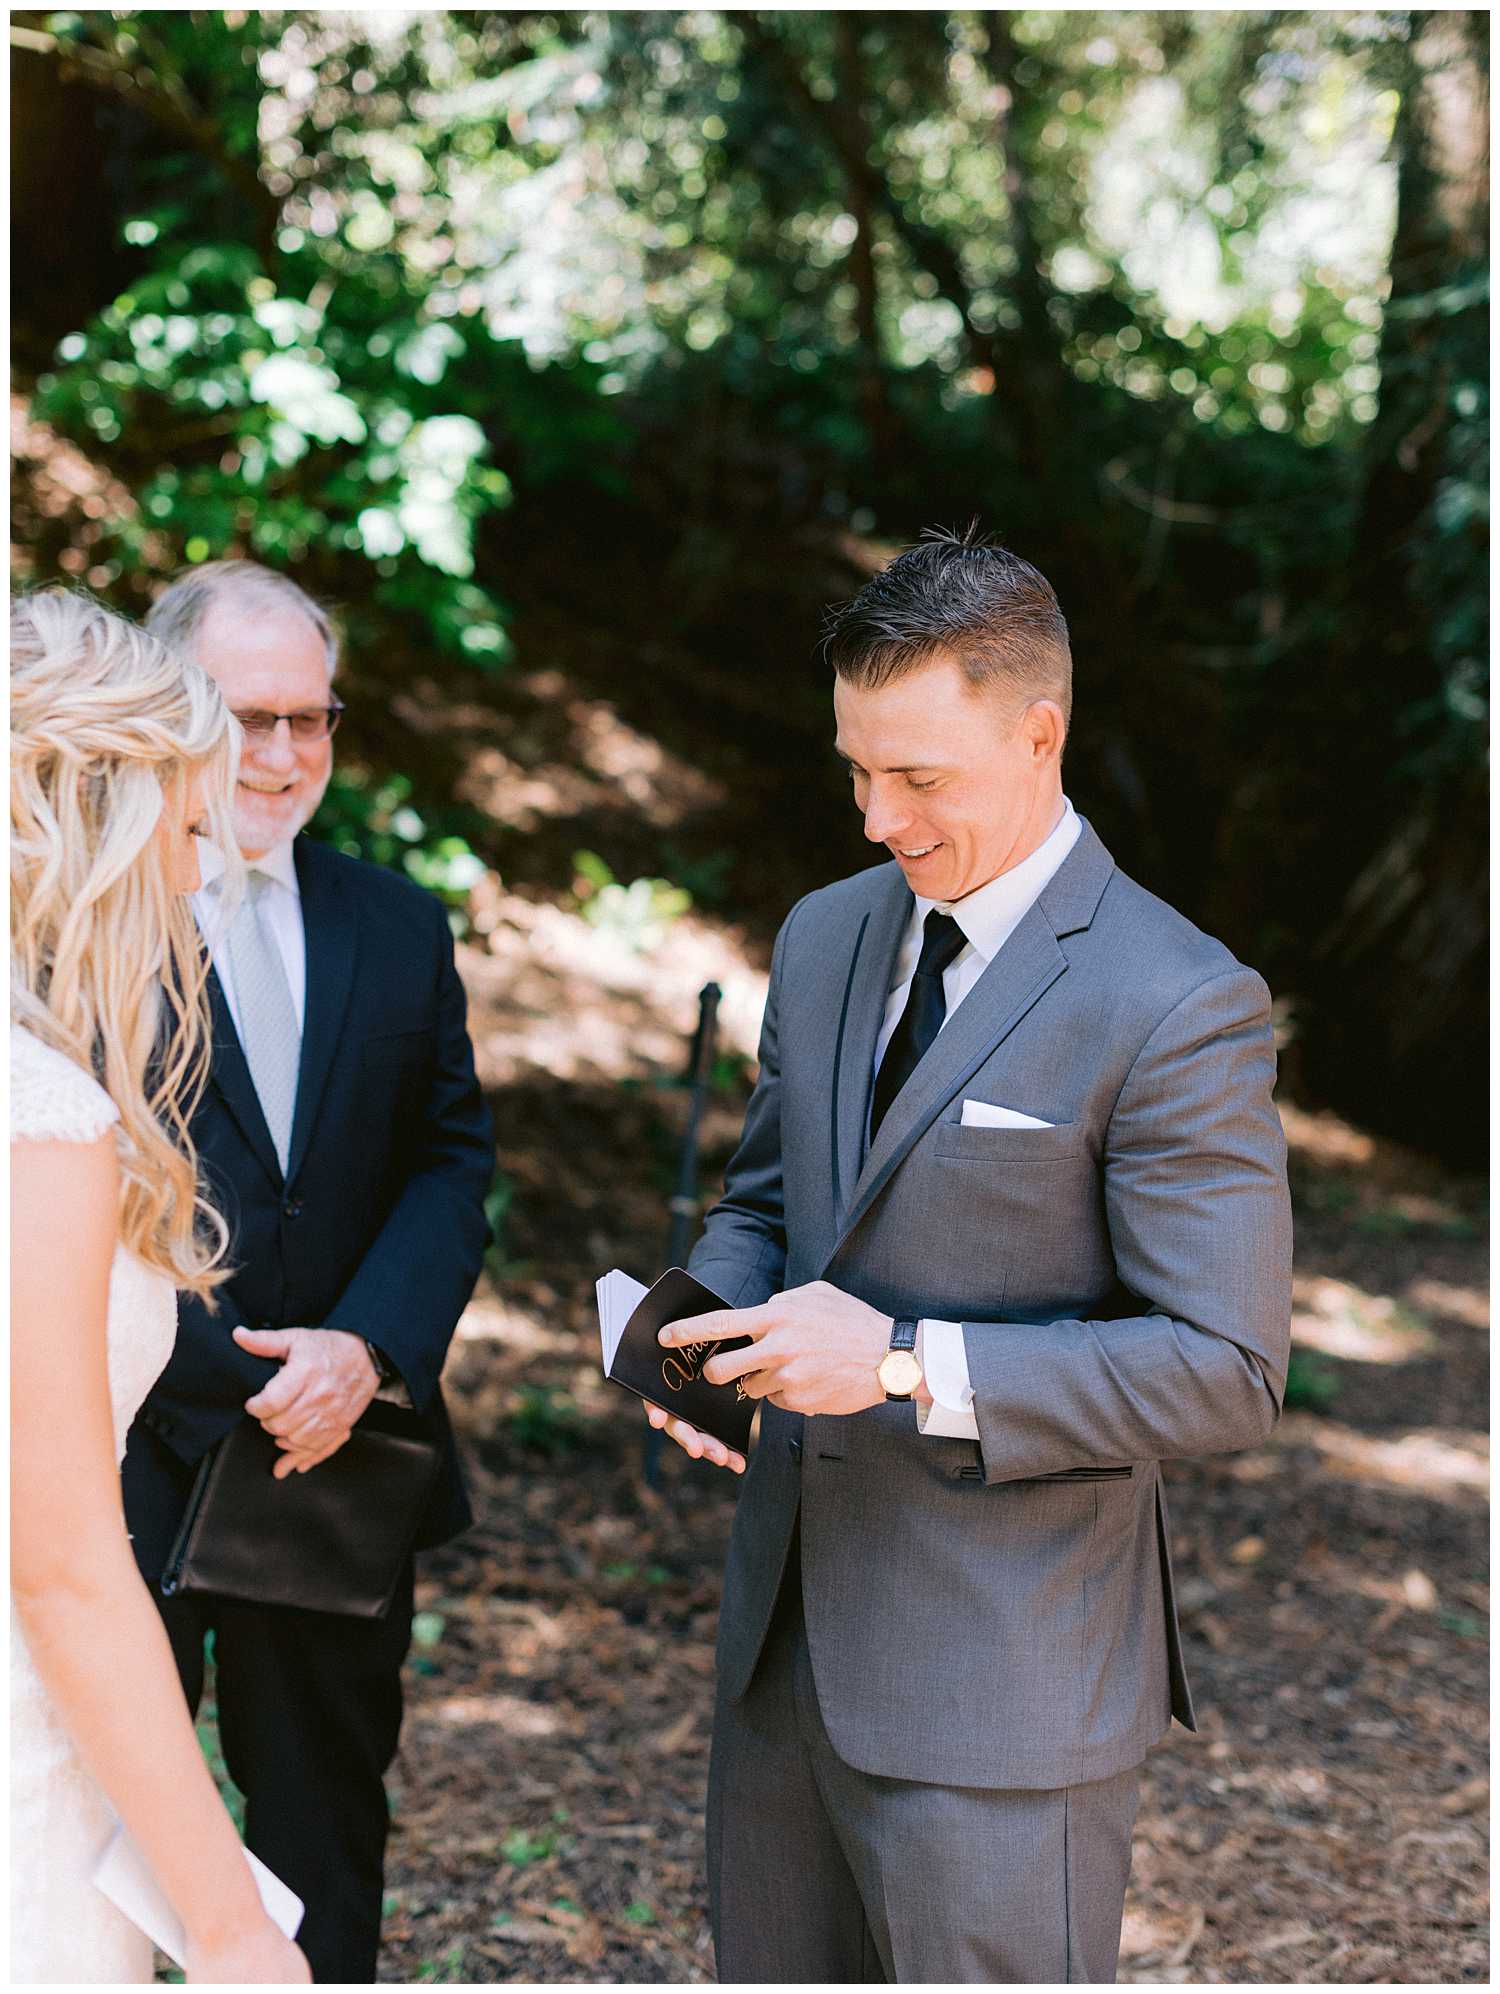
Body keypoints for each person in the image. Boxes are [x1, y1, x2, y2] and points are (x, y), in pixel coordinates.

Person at [647, 527, 1294, 1983]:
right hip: (782, 1660)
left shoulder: (1178, 999)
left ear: (1039, 730)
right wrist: (704, 1328)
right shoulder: (823, 937)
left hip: (1009, 1695)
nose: (877, 816)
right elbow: (768, 1204)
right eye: (855, 767)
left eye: (919, 776)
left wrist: (889, 1365)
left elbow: (1227, 1367)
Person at [120, 560, 495, 1983]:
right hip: (128, 1449)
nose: (283, 754)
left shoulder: (395, 923)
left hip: (332, 1458)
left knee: (324, 1832)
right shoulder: (73, 919)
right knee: (107, 1828)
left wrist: (365, 1352)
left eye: (312, 719)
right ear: (169, 711)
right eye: (248, 716)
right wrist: (231, 1371)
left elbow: (451, 1164)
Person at [11, 589, 310, 1984]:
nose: (198, 875)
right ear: (101, 820)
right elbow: (66, 1568)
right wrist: (234, 1924)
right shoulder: (40, 1121)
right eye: (188, 830)